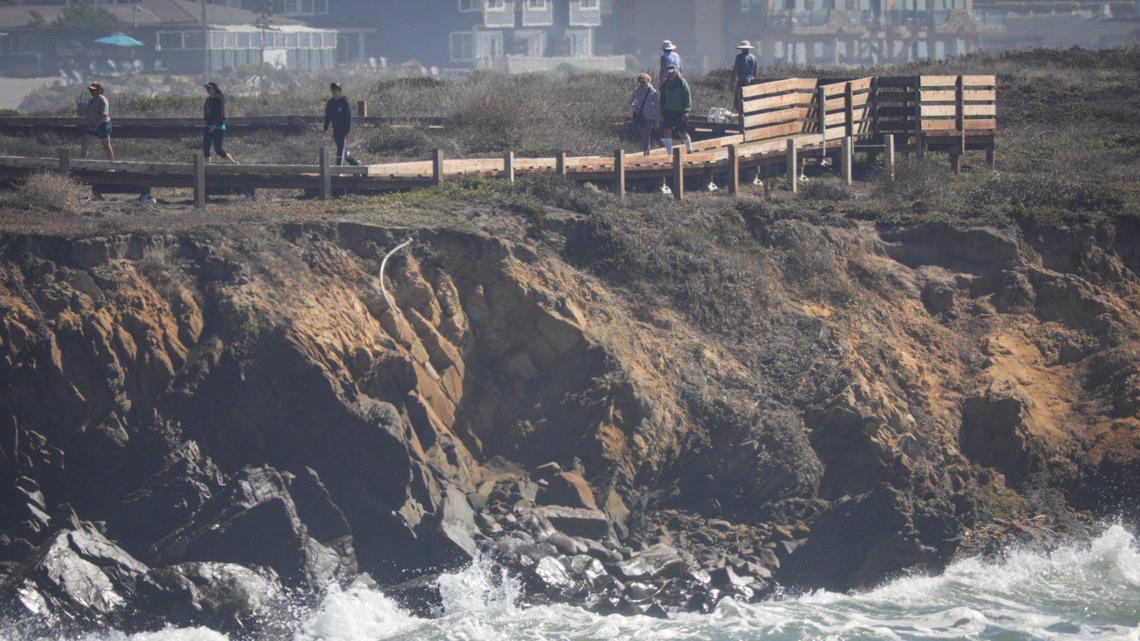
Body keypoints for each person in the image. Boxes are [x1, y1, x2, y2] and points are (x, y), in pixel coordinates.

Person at [659, 64, 693, 157]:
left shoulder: (682, 83)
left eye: (673, 73)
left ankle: (689, 149)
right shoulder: (665, 84)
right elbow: (662, 97)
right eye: (669, 73)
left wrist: (686, 111)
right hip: (667, 111)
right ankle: (669, 154)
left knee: (682, 132)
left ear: (676, 72)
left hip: (680, 111)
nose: (671, 75)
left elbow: (687, 97)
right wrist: (661, 109)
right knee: (667, 131)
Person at [203, 81, 238, 164]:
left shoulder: (218, 100)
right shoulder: (208, 100)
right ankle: (208, 166)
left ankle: (233, 162)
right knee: (206, 147)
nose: (207, 90)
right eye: (206, 88)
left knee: (218, 149)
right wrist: (208, 124)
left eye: (209, 88)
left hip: (218, 128)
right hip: (208, 126)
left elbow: (221, 115)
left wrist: (214, 126)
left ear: (214, 89)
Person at [81, 82, 114, 161]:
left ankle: (111, 164)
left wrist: (97, 124)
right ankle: (82, 162)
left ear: (99, 90)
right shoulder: (91, 100)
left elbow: (104, 115)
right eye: (91, 90)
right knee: (85, 142)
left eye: (93, 90)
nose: (91, 92)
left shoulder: (103, 100)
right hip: (92, 125)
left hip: (103, 125)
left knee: (106, 145)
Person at [629, 72, 660, 156]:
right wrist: (634, 107)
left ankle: (645, 152)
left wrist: (657, 119)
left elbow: (657, 106)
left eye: (644, 82)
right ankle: (646, 151)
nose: (642, 84)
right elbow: (630, 102)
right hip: (639, 115)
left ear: (648, 80)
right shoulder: (636, 90)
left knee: (647, 134)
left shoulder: (653, 91)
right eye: (640, 82)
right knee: (643, 135)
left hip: (650, 116)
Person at [324, 82, 353, 166]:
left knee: (340, 149)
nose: (334, 93)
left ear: (340, 91)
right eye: (332, 91)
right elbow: (328, 116)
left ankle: (338, 167)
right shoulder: (330, 103)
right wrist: (325, 127)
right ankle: (356, 164)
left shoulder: (344, 103)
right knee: (343, 150)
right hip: (335, 129)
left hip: (343, 130)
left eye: (336, 91)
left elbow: (348, 118)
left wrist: (347, 131)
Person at [732, 40, 757, 115]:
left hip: (742, 83)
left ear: (742, 49)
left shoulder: (739, 57)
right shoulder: (753, 58)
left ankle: (741, 119)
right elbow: (755, 72)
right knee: (749, 102)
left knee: (738, 102)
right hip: (751, 83)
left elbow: (735, 70)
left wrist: (732, 81)